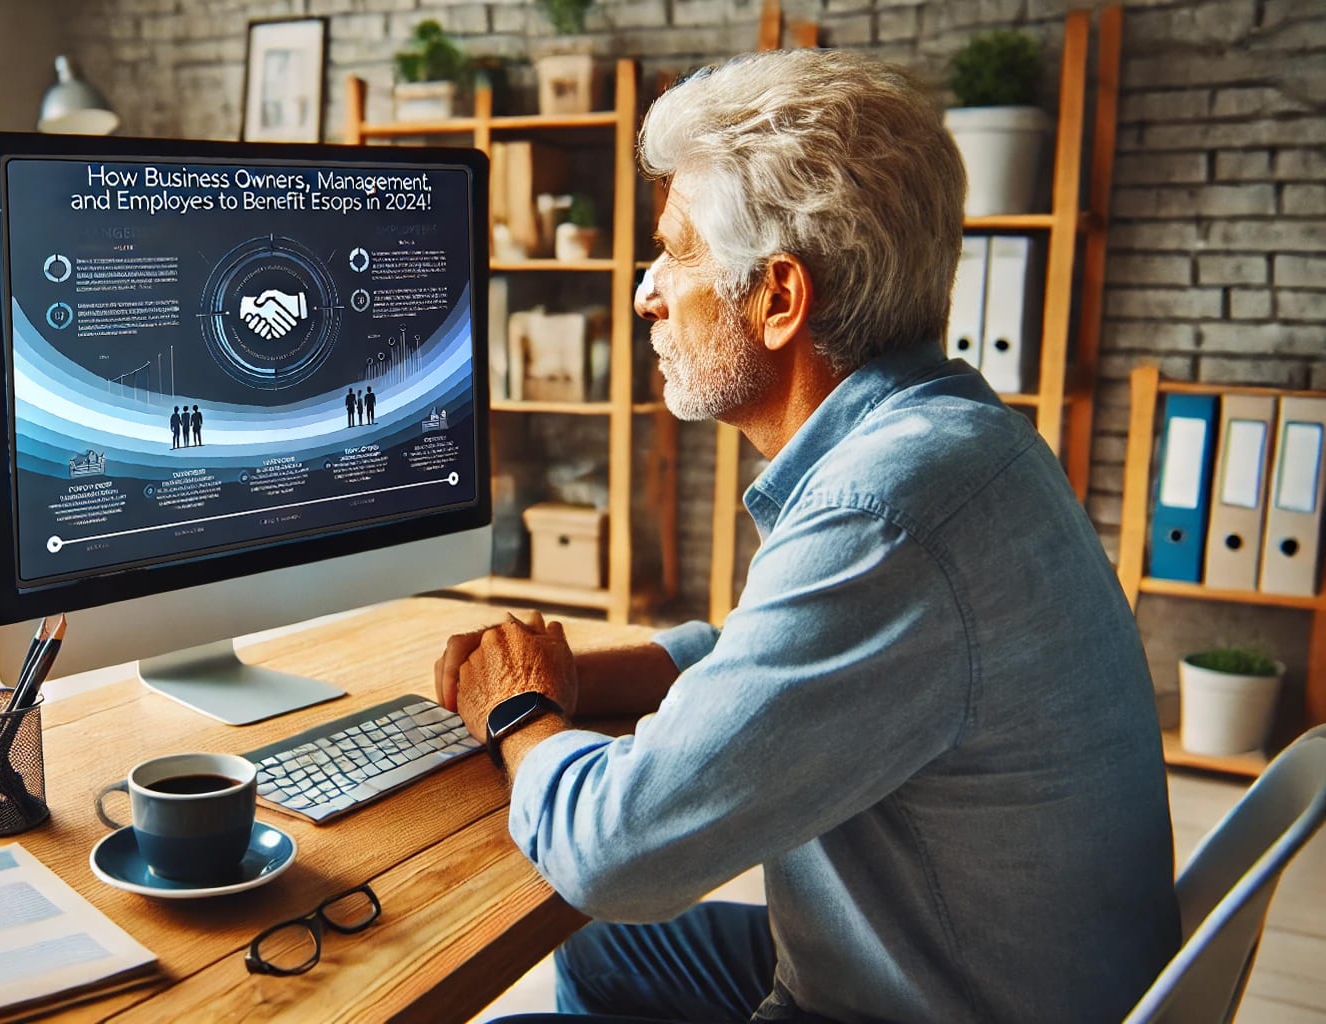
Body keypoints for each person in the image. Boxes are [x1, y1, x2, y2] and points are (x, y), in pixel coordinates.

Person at [438, 49, 1179, 1023]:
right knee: (608, 964)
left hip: (943, 1003)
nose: (644, 293)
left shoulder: (883, 512)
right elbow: (776, 651)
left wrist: (516, 711)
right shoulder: (955, 435)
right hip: (996, 967)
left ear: (780, 298)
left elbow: (615, 852)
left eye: (675, 251)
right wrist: (578, 675)